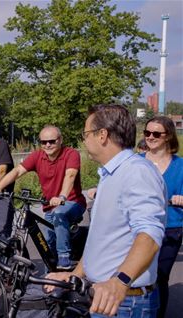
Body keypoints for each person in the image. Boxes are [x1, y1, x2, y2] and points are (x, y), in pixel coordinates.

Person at [47, 104, 166, 317]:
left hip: (125, 302)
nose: (84, 140)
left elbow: (149, 235)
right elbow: (102, 240)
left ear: (102, 135)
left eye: (86, 133)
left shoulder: (136, 172)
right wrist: (75, 275)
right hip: (106, 297)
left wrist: (119, 282)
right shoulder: (111, 174)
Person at [0, 125, 86, 270]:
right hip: (50, 206)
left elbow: (70, 175)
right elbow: (16, 172)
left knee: (59, 214)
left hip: (72, 202)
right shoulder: (37, 156)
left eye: (52, 141)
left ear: (61, 140)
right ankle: (50, 278)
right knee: (48, 244)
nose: (47, 145)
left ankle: (64, 259)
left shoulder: (70, 154)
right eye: (43, 142)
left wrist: (62, 196)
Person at [141, 116, 183, 318]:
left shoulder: (180, 166)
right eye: (147, 133)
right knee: (138, 276)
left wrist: (181, 199)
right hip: (139, 228)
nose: (150, 137)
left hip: (170, 228)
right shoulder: (135, 163)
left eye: (156, 134)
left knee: (160, 276)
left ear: (168, 137)